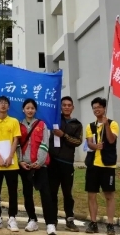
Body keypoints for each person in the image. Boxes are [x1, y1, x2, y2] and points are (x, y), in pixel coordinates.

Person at [17, 99, 57, 235]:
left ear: (35, 110)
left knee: (45, 194)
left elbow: (45, 143)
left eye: (32, 108)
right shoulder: (19, 125)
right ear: (23, 110)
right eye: (27, 108)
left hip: (40, 166)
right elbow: (17, 145)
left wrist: (39, 162)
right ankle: (32, 219)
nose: (30, 110)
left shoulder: (42, 124)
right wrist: (20, 161)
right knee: (27, 193)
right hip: (25, 166)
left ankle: (50, 223)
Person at [85, 97, 119, 235]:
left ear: (104, 108)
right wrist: (95, 146)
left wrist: (106, 125)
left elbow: (111, 140)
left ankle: (110, 224)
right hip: (93, 165)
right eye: (94, 108)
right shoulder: (90, 126)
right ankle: (93, 223)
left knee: (109, 195)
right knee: (91, 195)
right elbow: (89, 143)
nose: (96, 110)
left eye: (99, 107)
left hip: (107, 165)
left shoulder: (113, 124)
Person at [48, 96, 83, 232]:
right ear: (60, 107)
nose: (67, 107)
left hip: (67, 164)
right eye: (64, 105)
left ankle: (70, 220)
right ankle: (53, 220)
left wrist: (63, 135)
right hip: (53, 162)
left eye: (69, 105)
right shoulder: (54, 120)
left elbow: (78, 142)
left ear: (73, 107)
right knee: (52, 193)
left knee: (67, 194)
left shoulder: (77, 124)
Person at [0, 95, 21, 232]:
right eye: (0, 103)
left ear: (8, 106)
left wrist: (9, 156)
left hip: (11, 163)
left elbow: (15, 140)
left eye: (5, 103)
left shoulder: (14, 121)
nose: (3, 105)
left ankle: (12, 218)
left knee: (13, 191)